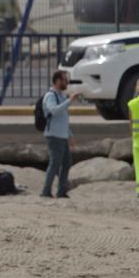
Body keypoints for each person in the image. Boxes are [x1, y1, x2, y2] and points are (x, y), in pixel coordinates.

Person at [40, 70, 77, 199]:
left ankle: (61, 191)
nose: (67, 83)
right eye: (64, 80)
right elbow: (54, 111)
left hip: (63, 135)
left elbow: (64, 118)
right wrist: (69, 101)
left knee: (67, 163)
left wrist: (70, 135)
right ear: (57, 81)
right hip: (54, 135)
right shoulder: (50, 96)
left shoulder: (61, 96)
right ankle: (46, 191)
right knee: (54, 163)